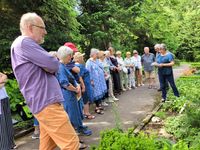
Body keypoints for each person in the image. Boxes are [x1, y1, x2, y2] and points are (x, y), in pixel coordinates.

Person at [11, 12, 79, 150]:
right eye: (42, 28)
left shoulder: (21, 44)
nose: (45, 32)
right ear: (31, 27)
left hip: (42, 102)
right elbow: (54, 65)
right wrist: (51, 62)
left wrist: (49, 63)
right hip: (47, 103)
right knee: (71, 144)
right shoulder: (25, 42)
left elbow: (50, 65)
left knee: (47, 145)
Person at [56, 46, 92, 137]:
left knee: (75, 111)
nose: (71, 57)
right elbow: (65, 83)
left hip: (71, 93)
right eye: (70, 55)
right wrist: (76, 89)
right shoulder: (60, 67)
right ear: (66, 55)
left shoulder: (63, 65)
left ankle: (79, 128)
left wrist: (77, 85)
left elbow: (71, 79)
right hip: (68, 94)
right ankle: (77, 131)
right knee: (72, 113)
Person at [73, 52, 95, 119]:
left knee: (82, 99)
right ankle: (87, 113)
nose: (83, 58)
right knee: (86, 99)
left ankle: (84, 113)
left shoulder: (74, 65)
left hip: (82, 84)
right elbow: (80, 77)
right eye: (81, 57)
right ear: (79, 58)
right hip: (85, 84)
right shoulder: (80, 66)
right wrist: (83, 86)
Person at [86, 48, 107, 114]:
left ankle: (99, 105)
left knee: (100, 92)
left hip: (100, 80)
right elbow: (88, 72)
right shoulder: (89, 62)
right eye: (97, 54)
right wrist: (91, 80)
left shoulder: (97, 60)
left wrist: (104, 72)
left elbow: (101, 67)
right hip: (95, 81)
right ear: (93, 54)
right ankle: (96, 108)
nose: (98, 55)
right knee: (96, 93)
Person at [0, 72, 16, 150]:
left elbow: (5, 77)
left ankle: (10, 145)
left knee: (8, 124)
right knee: (1, 126)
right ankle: (4, 147)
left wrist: (2, 81)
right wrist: (2, 81)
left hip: (4, 98)